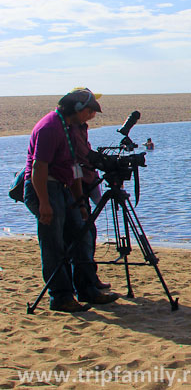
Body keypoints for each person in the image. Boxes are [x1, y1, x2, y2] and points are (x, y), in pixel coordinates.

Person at [23, 89, 120, 312]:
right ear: (76, 108)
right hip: (45, 187)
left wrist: (80, 203)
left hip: (63, 186)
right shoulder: (50, 127)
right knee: (54, 245)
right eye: (89, 111)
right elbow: (39, 168)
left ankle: (87, 290)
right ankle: (61, 297)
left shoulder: (68, 128)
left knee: (81, 234)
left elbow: (74, 168)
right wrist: (44, 203)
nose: (90, 116)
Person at [68, 88, 111, 290]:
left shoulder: (81, 127)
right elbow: (76, 161)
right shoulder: (70, 129)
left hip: (85, 180)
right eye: (91, 108)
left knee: (89, 232)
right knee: (83, 233)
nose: (93, 114)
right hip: (77, 185)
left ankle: (90, 279)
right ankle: (86, 283)